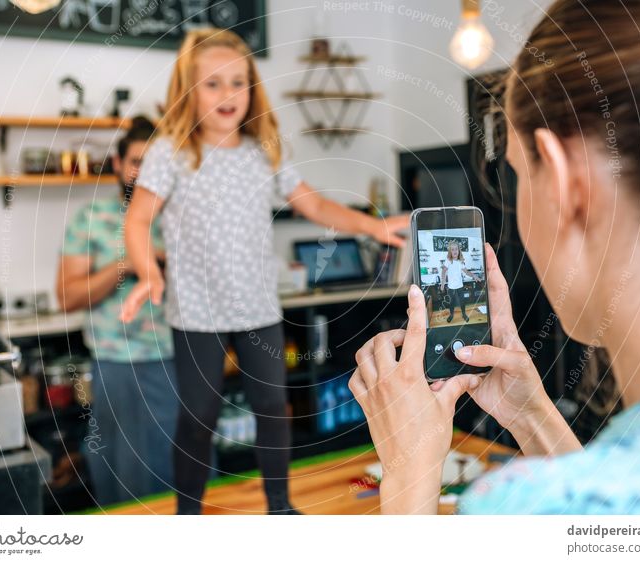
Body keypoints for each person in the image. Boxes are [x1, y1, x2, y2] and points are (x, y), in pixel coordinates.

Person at [349, 0, 640, 514]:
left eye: (518, 175)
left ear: (568, 185)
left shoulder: (514, 507)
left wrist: (408, 471)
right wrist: (531, 416)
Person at [119, 28, 409, 515]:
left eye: (238, 81)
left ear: (252, 88)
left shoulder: (264, 153)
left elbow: (313, 204)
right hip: (195, 310)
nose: (227, 94)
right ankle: (186, 514)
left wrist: (371, 225)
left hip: (257, 306)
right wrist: (149, 272)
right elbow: (139, 220)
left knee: (272, 409)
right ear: (188, 91)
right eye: (212, 84)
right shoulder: (171, 153)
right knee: (200, 417)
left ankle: (280, 506)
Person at [57, 117, 178, 506]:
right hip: (117, 362)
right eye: (137, 161)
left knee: (181, 467)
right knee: (122, 474)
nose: (144, 173)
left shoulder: (181, 218)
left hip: (181, 359)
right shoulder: (91, 218)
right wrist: (133, 262)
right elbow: (68, 296)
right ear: (117, 164)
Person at [440, 240, 482, 323]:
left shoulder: (460, 262)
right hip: (451, 287)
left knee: (462, 302)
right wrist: (442, 283)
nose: (455, 251)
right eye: (452, 249)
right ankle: (451, 315)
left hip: (460, 286)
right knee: (452, 303)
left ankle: (464, 314)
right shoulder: (448, 260)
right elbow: (443, 271)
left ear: (459, 251)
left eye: (456, 249)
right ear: (450, 251)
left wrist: (474, 275)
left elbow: (466, 272)